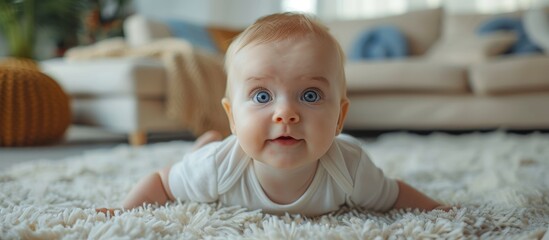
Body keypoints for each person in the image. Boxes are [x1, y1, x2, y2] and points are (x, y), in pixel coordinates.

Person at [98, 12, 449, 216]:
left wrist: (440, 210)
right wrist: (120, 213)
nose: (286, 113)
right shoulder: (219, 167)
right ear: (232, 117)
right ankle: (204, 142)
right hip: (212, 155)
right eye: (262, 95)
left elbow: (396, 195)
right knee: (196, 162)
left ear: (340, 119)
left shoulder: (351, 168)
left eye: (310, 95)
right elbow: (161, 183)